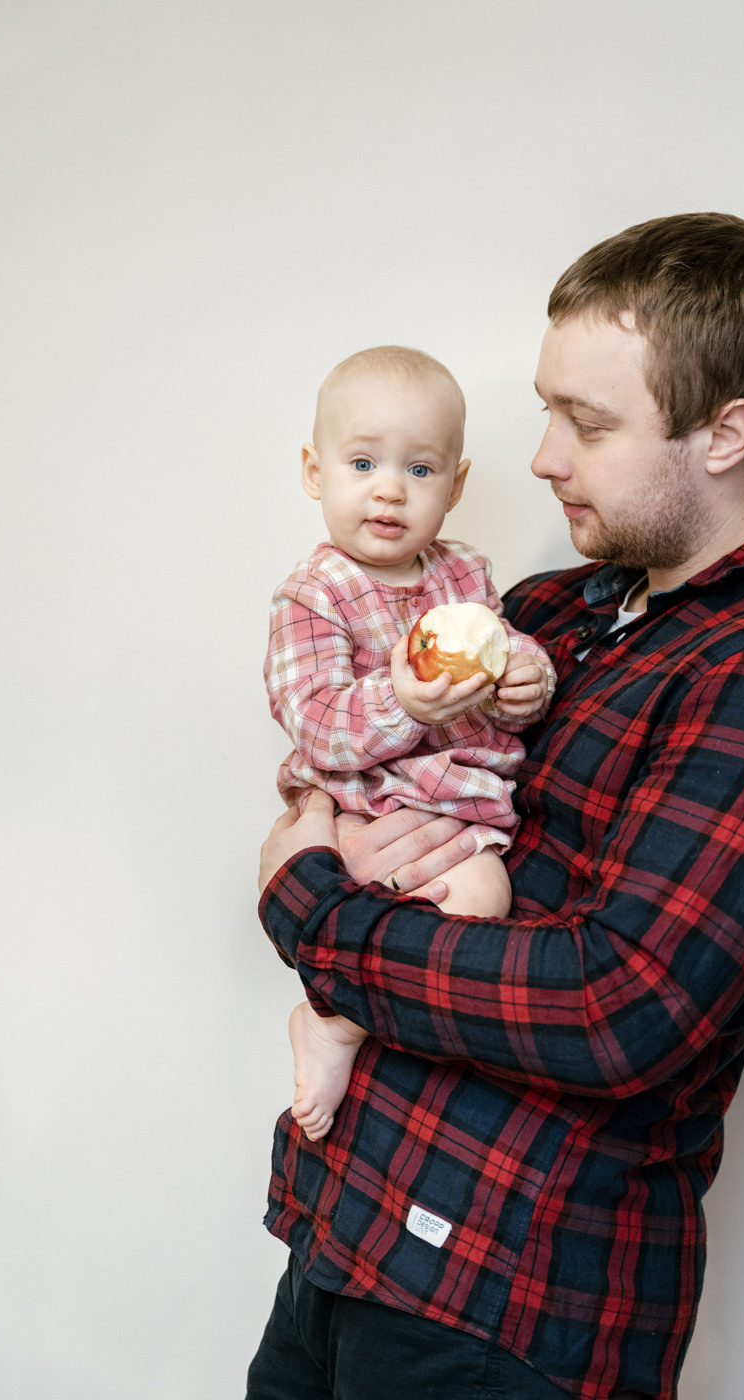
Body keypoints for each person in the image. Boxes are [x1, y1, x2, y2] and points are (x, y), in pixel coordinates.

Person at [249, 214, 744, 1400]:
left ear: (725, 432)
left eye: (587, 423)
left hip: (510, 1315)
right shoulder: (554, 606)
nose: (541, 457)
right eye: (547, 411)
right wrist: (323, 822)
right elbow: (343, 767)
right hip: (343, 1240)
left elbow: (614, 1006)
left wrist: (313, 910)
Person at [266, 345, 555, 1141]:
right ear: (314, 471)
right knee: (354, 885)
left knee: (485, 901)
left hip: (462, 809)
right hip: (367, 802)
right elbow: (317, 719)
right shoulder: (316, 593)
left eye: (420, 470)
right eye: (362, 462)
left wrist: (526, 679)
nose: (390, 488)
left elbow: (507, 660)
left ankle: (362, 1030)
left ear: (455, 485)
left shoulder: (466, 576)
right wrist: (404, 699)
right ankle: (332, 1020)